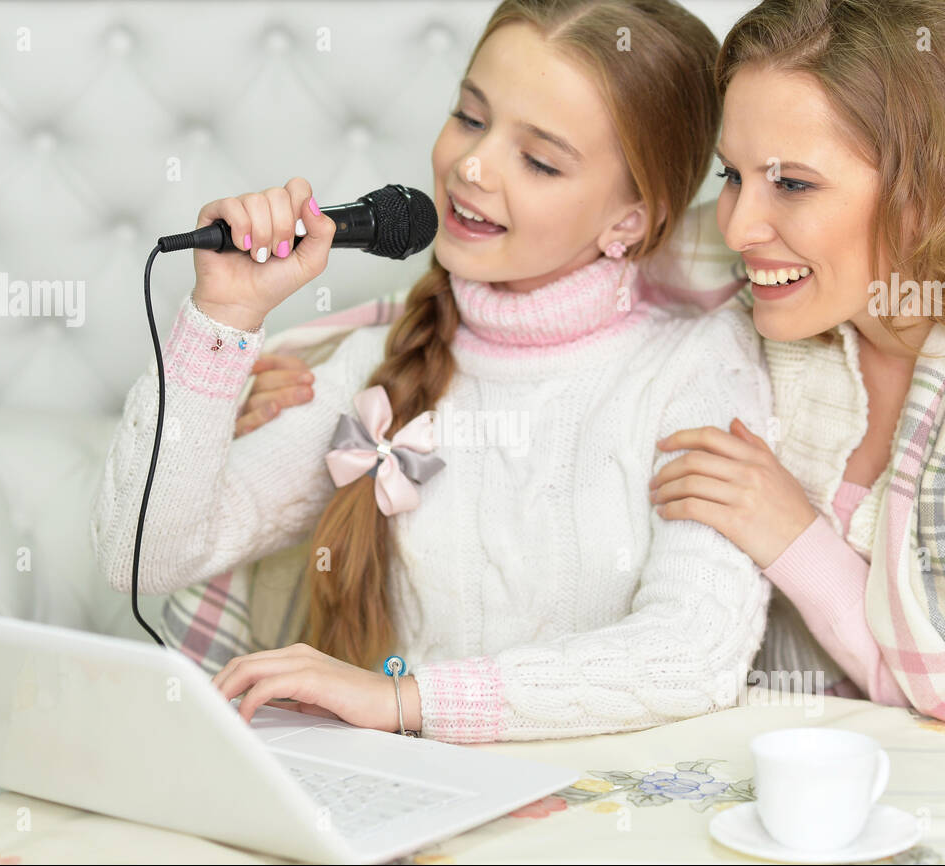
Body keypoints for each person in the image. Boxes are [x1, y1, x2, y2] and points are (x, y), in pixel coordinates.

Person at [91, 0, 774, 743]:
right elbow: (145, 557)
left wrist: (405, 701)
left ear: (631, 220)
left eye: (540, 160)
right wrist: (222, 318)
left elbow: (693, 652)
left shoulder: (698, 364)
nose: (471, 167)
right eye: (470, 118)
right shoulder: (381, 356)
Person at [650, 0, 945, 750]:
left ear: (937, 190)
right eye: (732, 175)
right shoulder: (735, 305)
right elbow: (571, 261)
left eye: (793, 185)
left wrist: (795, 538)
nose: (738, 226)